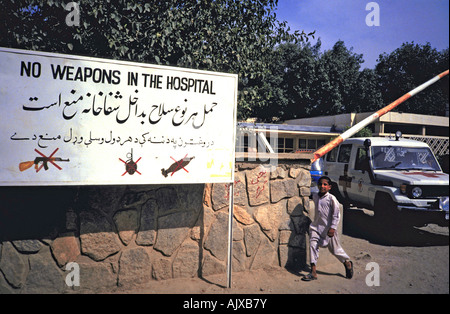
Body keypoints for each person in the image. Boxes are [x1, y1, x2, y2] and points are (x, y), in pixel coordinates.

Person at [302, 176, 353, 281]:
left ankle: (347, 263)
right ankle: (313, 272)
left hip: (328, 229)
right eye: (320, 184)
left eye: (325, 184)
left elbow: (336, 215)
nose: (322, 186)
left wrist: (333, 228)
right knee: (312, 245)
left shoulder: (332, 199)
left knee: (335, 250)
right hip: (316, 227)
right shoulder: (315, 196)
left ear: (329, 187)